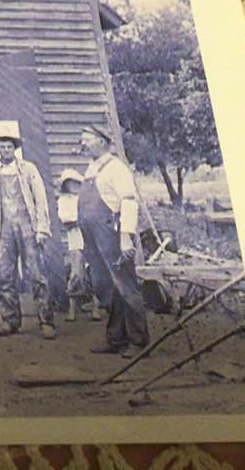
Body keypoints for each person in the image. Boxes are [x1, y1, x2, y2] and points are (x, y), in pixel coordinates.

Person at [77, 125, 149, 358]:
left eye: (87, 139)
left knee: (126, 286)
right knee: (104, 287)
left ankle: (139, 341)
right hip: (93, 238)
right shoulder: (92, 168)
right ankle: (116, 338)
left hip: (113, 235)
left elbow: (128, 201)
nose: (83, 143)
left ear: (101, 141)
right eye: (82, 139)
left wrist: (126, 237)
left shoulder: (116, 168)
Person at [0, 123, 56, 340]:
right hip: (3, 228)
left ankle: (46, 321)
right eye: (2, 147)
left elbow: (40, 200)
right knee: (4, 275)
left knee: (37, 274)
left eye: (9, 147)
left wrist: (42, 228)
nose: (5, 150)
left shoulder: (28, 169)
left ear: (14, 149)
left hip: (28, 226)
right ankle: (10, 320)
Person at [55, 168, 101, 323]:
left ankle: (96, 307)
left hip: (92, 241)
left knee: (94, 273)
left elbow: (96, 216)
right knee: (76, 274)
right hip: (76, 241)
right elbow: (66, 219)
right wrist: (83, 219)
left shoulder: (87, 198)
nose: (73, 186)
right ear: (65, 185)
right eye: (69, 183)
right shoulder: (64, 200)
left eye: (75, 182)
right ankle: (72, 308)